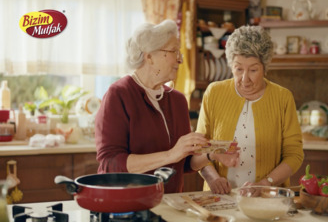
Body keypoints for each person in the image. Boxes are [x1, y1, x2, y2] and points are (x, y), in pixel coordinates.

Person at [95, 19, 237, 193]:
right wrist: (172, 154)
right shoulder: (119, 94)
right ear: (149, 56)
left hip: (169, 202)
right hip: (127, 205)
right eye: (173, 52)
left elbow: (184, 163)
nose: (180, 60)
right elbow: (111, 164)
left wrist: (211, 154)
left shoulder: (177, 100)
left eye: (179, 52)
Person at [196, 25, 304, 194]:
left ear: (265, 68)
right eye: (238, 69)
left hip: (267, 199)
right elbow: (200, 151)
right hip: (220, 198)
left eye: (253, 70)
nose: (245, 79)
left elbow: (294, 155)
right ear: (231, 65)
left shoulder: (282, 98)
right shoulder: (214, 93)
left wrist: (266, 183)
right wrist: (213, 178)